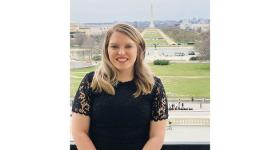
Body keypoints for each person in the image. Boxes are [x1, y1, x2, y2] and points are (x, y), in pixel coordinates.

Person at [71, 23, 169, 150]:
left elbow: (157, 137)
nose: (121, 52)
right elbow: (79, 132)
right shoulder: (91, 82)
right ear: (107, 50)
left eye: (128, 46)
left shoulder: (154, 86)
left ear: (139, 49)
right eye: (114, 46)